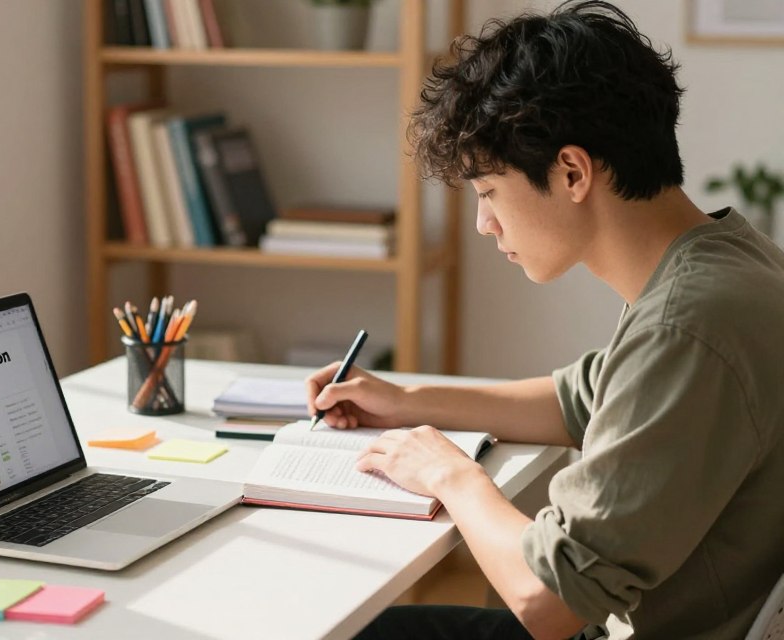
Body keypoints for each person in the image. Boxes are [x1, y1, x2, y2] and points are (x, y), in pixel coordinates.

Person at [304, 2, 784, 638]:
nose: (485, 224)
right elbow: (578, 398)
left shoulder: (686, 324)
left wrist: (451, 475)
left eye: (489, 193)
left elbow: (546, 601)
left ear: (572, 171)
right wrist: (405, 399)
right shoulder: (727, 259)